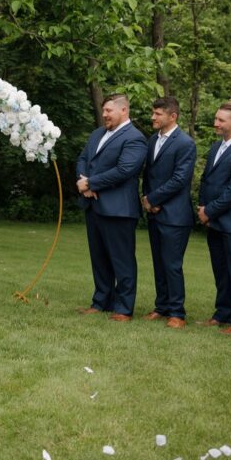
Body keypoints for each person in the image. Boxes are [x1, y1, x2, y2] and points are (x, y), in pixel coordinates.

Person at [76, 93, 147, 321]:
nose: (105, 115)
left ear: (123, 110)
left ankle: (124, 308)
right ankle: (101, 302)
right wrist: (84, 183)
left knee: (122, 260)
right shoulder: (98, 134)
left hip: (119, 209)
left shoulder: (135, 138)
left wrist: (92, 182)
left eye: (109, 111)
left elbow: (125, 170)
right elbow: (83, 159)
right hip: (93, 205)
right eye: (104, 111)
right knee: (99, 258)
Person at [141, 96, 196, 329]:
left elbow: (180, 179)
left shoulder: (185, 143)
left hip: (175, 215)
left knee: (172, 264)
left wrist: (153, 198)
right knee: (159, 263)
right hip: (155, 212)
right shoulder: (153, 140)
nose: (153, 117)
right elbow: (150, 174)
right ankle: (161, 307)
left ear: (172, 116)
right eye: (153, 113)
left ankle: (177, 313)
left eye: (157, 114)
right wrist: (147, 201)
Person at [197, 100, 231, 335]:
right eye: (216, 119)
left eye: (221, 120)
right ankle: (221, 313)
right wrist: (204, 209)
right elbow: (207, 180)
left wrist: (209, 210)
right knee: (221, 271)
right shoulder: (216, 147)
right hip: (215, 222)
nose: (216, 123)